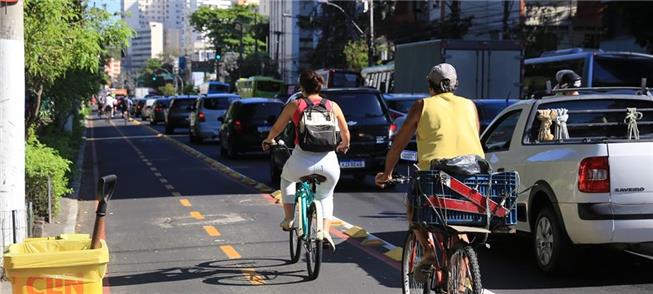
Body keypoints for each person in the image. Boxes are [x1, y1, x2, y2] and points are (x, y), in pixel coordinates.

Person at [374, 63, 484, 282]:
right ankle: (461, 282)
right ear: (455, 85)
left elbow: (398, 144)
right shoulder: (469, 105)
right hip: (473, 174)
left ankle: (428, 250)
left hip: (436, 175)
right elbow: (475, 135)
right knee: (460, 222)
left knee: (414, 209)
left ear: (430, 85)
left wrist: (387, 173)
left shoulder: (422, 105)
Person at [261, 69, 351, 250]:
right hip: (329, 163)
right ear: (320, 86)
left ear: (301, 87)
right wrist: (344, 145)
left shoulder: (295, 105)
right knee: (326, 195)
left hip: (302, 161)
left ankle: (289, 218)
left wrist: (269, 140)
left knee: (286, 178)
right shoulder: (332, 106)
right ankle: (325, 231)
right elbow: (345, 133)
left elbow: (277, 128)